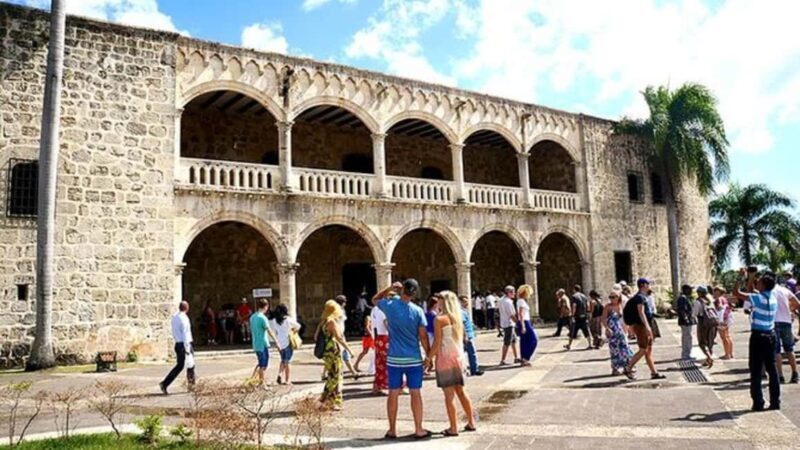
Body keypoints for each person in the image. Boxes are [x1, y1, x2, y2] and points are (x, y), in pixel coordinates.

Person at [372, 279, 432, 440]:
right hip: (413, 358)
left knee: (393, 393)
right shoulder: (418, 311)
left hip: (394, 358)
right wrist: (428, 355)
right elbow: (423, 336)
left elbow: (375, 299)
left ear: (402, 289)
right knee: (415, 393)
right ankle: (419, 429)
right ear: (415, 293)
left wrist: (389, 288)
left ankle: (392, 430)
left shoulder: (390, 305)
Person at [430, 291, 477, 437]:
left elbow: (437, 342)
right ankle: (471, 422)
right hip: (458, 358)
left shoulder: (440, 319)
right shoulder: (458, 318)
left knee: (449, 395)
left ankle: (453, 427)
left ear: (444, 302)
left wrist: (429, 358)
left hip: (445, 359)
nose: (437, 301)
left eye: (439, 299)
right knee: (461, 392)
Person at [733, 268, 779, 411]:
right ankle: (775, 402)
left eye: (759, 282)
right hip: (771, 335)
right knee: (772, 370)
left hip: (758, 336)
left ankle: (758, 403)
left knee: (756, 370)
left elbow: (737, 293)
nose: (757, 284)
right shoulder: (772, 298)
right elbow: (754, 290)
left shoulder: (758, 298)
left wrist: (740, 277)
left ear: (763, 286)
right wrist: (752, 278)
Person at [317, 300, 356, 411]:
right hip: (333, 350)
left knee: (332, 375)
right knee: (337, 376)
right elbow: (339, 338)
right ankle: (331, 401)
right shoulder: (331, 322)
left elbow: (317, 336)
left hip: (327, 351)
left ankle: (327, 399)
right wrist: (349, 349)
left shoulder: (323, 322)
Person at [623, 278, 666, 380]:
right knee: (643, 349)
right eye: (648, 284)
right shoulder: (640, 298)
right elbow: (641, 312)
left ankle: (654, 372)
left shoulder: (644, 297)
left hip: (645, 325)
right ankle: (628, 367)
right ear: (643, 285)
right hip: (641, 326)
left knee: (648, 350)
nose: (649, 285)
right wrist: (647, 327)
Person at [159, 301, 196, 395]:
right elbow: (185, 334)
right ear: (187, 308)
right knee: (190, 365)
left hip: (178, 343)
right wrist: (187, 348)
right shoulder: (184, 318)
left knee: (181, 366)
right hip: (184, 344)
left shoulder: (175, 317)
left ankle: (165, 383)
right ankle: (191, 385)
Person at [771, 279, 800, 383]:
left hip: (773, 321)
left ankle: (780, 375)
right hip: (786, 321)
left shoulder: (768, 291)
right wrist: (790, 309)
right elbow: (797, 303)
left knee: (777, 350)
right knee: (789, 349)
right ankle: (795, 374)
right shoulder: (785, 290)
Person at [601, 291, 633, 375]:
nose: (611, 299)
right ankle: (615, 368)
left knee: (625, 348)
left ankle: (628, 366)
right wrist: (607, 328)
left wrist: (629, 330)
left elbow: (624, 320)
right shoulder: (607, 307)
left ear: (618, 297)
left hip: (620, 330)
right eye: (610, 297)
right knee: (614, 350)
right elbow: (603, 319)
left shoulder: (620, 306)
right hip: (612, 331)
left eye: (613, 297)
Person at [268, 303, 300, 385]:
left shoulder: (275, 320)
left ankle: (279, 375)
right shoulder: (288, 320)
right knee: (287, 361)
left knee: (283, 359)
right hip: (287, 342)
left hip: (279, 343)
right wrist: (292, 330)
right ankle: (287, 379)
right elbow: (298, 326)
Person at [249, 299, 278, 386]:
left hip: (256, 343)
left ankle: (254, 379)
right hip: (262, 343)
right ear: (266, 306)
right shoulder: (263, 318)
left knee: (261, 363)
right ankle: (261, 383)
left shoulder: (252, 317)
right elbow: (269, 330)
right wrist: (276, 341)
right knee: (263, 364)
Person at [334, 295, 361, 379]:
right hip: (339, 335)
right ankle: (353, 372)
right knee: (343, 354)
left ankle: (353, 372)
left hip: (340, 333)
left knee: (339, 354)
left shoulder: (340, 310)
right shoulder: (337, 311)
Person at [459, 295, 483, 376]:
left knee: (470, 353)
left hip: (470, 334)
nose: (467, 303)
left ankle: (473, 369)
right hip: (466, 335)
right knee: (471, 353)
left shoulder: (465, 311)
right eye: (464, 301)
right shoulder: (460, 312)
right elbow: (461, 324)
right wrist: (465, 335)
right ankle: (474, 369)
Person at [693, 286, 717, 368]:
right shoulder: (711, 301)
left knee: (702, 343)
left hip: (703, 322)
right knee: (710, 342)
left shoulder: (698, 302)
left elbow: (695, 313)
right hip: (713, 322)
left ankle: (709, 358)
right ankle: (707, 360)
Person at [516, 285, 538, 366]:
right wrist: (523, 325)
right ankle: (526, 357)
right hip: (524, 322)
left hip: (524, 321)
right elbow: (520, 314)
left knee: (524, 341)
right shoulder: (521, 301)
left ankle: (523, 358)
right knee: (533, 340)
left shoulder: (520, 301)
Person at [371, 302, 390, 395]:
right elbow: (387, 325)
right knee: (386, 363)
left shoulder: (377, 310)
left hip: (380, 337)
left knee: (379, 363)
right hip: (386, 338)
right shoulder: (384, 312)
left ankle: (377, 385)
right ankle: (382, 385)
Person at [498, 285, 519, 365]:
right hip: (509, 323)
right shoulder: (508, 302)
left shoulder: (501, 300)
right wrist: (518, 323)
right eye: (513, 292)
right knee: (507, 342)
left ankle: (516, 357)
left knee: (513, 341)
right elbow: (511, 315)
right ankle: (502, 360)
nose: (514, 293)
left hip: (505, 322)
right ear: (509, 293)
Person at [566, 285, 591, 350]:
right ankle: (590, 344)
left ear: (574, 289)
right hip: (584, 316)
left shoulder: (574, 296)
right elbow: (588, 305)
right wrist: (587, 313)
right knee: (586, 330)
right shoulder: (584, 296)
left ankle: (569, 345)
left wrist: (572, 315)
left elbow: (574, 306)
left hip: (577, 316)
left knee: (573, 331)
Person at [713, 286, 735, 360]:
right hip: (727, 318)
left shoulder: (718, 299)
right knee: (727, 336)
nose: (714, 293)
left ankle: (727, 354)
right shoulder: (725, 299)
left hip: (721, 319)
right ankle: (730, 353)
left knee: (724, 337)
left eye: (716, 291)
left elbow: (720, 308)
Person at [676, 284, 696, 360]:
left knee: (688, 337)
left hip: (687, 320)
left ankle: (687, 353)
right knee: (686, 337)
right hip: (685, 322)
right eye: (690, 289)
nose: (691, 291)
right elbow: (682, 310)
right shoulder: (682, 298)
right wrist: (686, 319)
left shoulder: (686, 298)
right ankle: (685, 355)